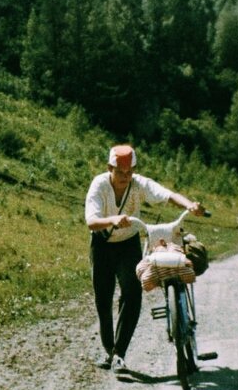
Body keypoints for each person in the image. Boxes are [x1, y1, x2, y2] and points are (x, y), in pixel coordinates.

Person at [85, 144, 204, 375]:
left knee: (132, 294)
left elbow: (166, 194)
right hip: (101, 244)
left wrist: (189, 205)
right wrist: (112, 219)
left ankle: (119, 354)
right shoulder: (99, 185)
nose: (125, 177)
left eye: (129, 172)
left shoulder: (138, 184)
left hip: (128, 244)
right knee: (103, 299)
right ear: (110, 168)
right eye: (120, 172)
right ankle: (108, 349)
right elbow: (91, 220)